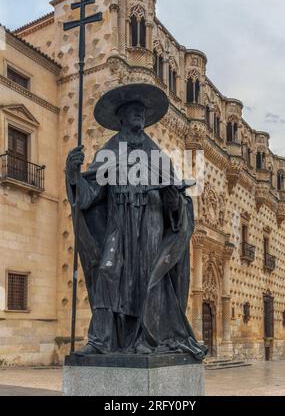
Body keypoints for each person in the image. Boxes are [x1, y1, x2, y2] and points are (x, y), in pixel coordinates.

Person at [66, 83, 207, 360]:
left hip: (150, 225)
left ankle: (147, 338)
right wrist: (73, 172)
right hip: (119, 223)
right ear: (121, 118)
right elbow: (87, 196)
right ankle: (101, 340)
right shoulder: (108, 153)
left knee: (146, 280)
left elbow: (177, 206)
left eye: (142, 112)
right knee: (107, 273)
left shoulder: (158, 157)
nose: (139, 116)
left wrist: (173, 197)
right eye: (134, 111)